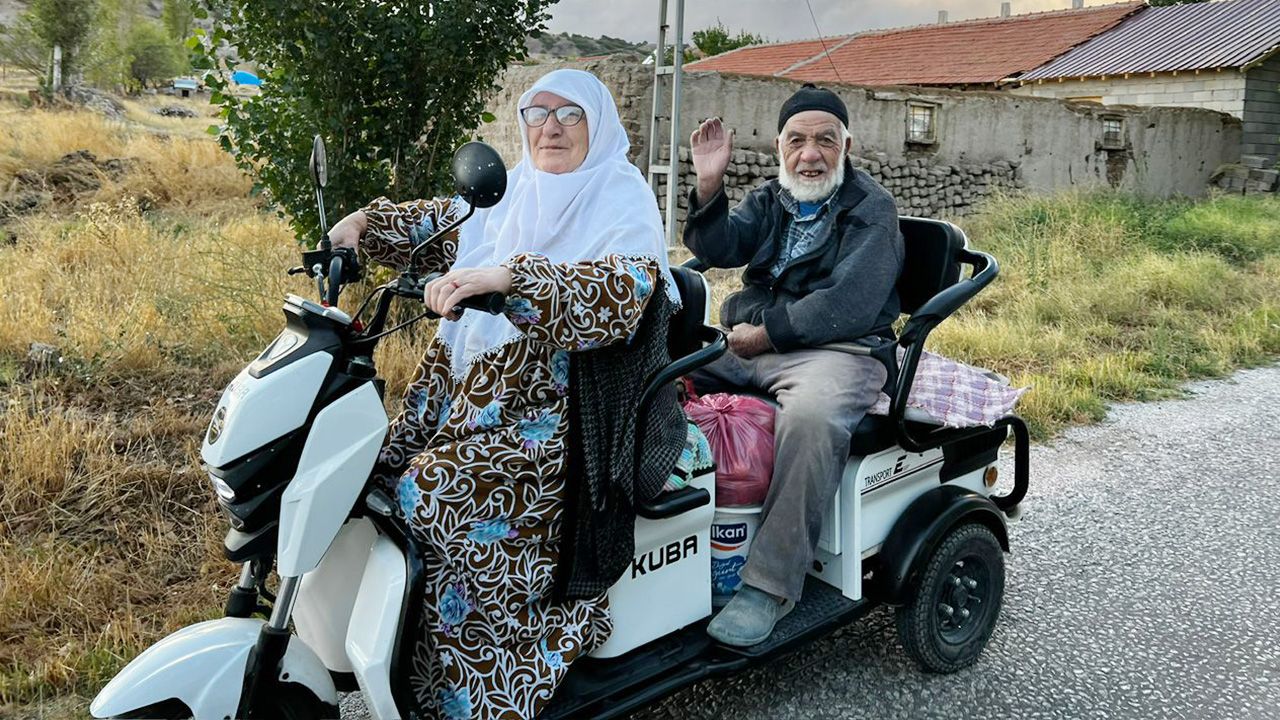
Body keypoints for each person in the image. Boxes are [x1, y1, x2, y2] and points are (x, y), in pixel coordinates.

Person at [326, 69, 685, 719]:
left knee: (430, 494)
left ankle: (488, 681)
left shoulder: (619, 195)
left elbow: (621, 294)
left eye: (571, 114)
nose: (551, 128)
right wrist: (361, 226)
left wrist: (511, 280)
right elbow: (440, 222)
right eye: (537, 113)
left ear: (599, 125)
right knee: (363, 470)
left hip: (563, 417)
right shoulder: (512, 191)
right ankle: (396, 653)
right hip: (463, 398)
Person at [684, 83, 905, 647]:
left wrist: (763, 336)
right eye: (797, 141)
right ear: (779, 147)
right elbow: (721, 248)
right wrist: (709, 185)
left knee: (810, 418)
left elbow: (849, 303)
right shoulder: (771, 198)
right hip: (754, 341)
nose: (811, 155)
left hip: (839, 350)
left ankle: (769, 585)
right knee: (657, 370)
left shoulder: (871, 207)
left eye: (825, 141)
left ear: (847, 146)